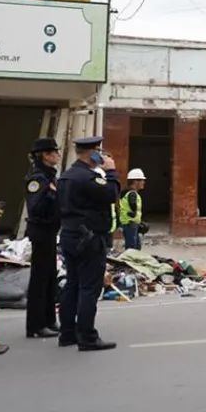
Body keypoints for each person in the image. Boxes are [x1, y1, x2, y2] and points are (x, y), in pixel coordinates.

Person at [57, 136, 120, 351]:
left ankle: (67, 333)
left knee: (72, 285)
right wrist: (111, 171)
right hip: (89, 239)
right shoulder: (87, 177)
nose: (101, 156)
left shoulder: (66, 176)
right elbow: (111, 194)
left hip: (70, 235)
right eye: (98, 151)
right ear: (91, 153)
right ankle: (87, 336)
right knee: (88, 288)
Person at [24, 137, 62, 339]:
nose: (57, 155)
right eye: (54, 152)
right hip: (41, 232)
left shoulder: (48, 175)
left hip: (49, 232)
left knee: (49, 278)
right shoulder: (38, 178)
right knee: (40, 279)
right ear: (45, 155)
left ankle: (49, 320)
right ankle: (36, 326)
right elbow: (36, 207)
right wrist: (53, 195)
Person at [119, 168, 147, 250]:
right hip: (130, 222)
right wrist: (134, 213)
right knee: (132, 247)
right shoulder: (132, 194)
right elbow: (132, 205)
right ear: (135, 181)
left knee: (136, 246)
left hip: (130, 222)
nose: (143, 182)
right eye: (142, 180)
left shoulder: (126, 192)